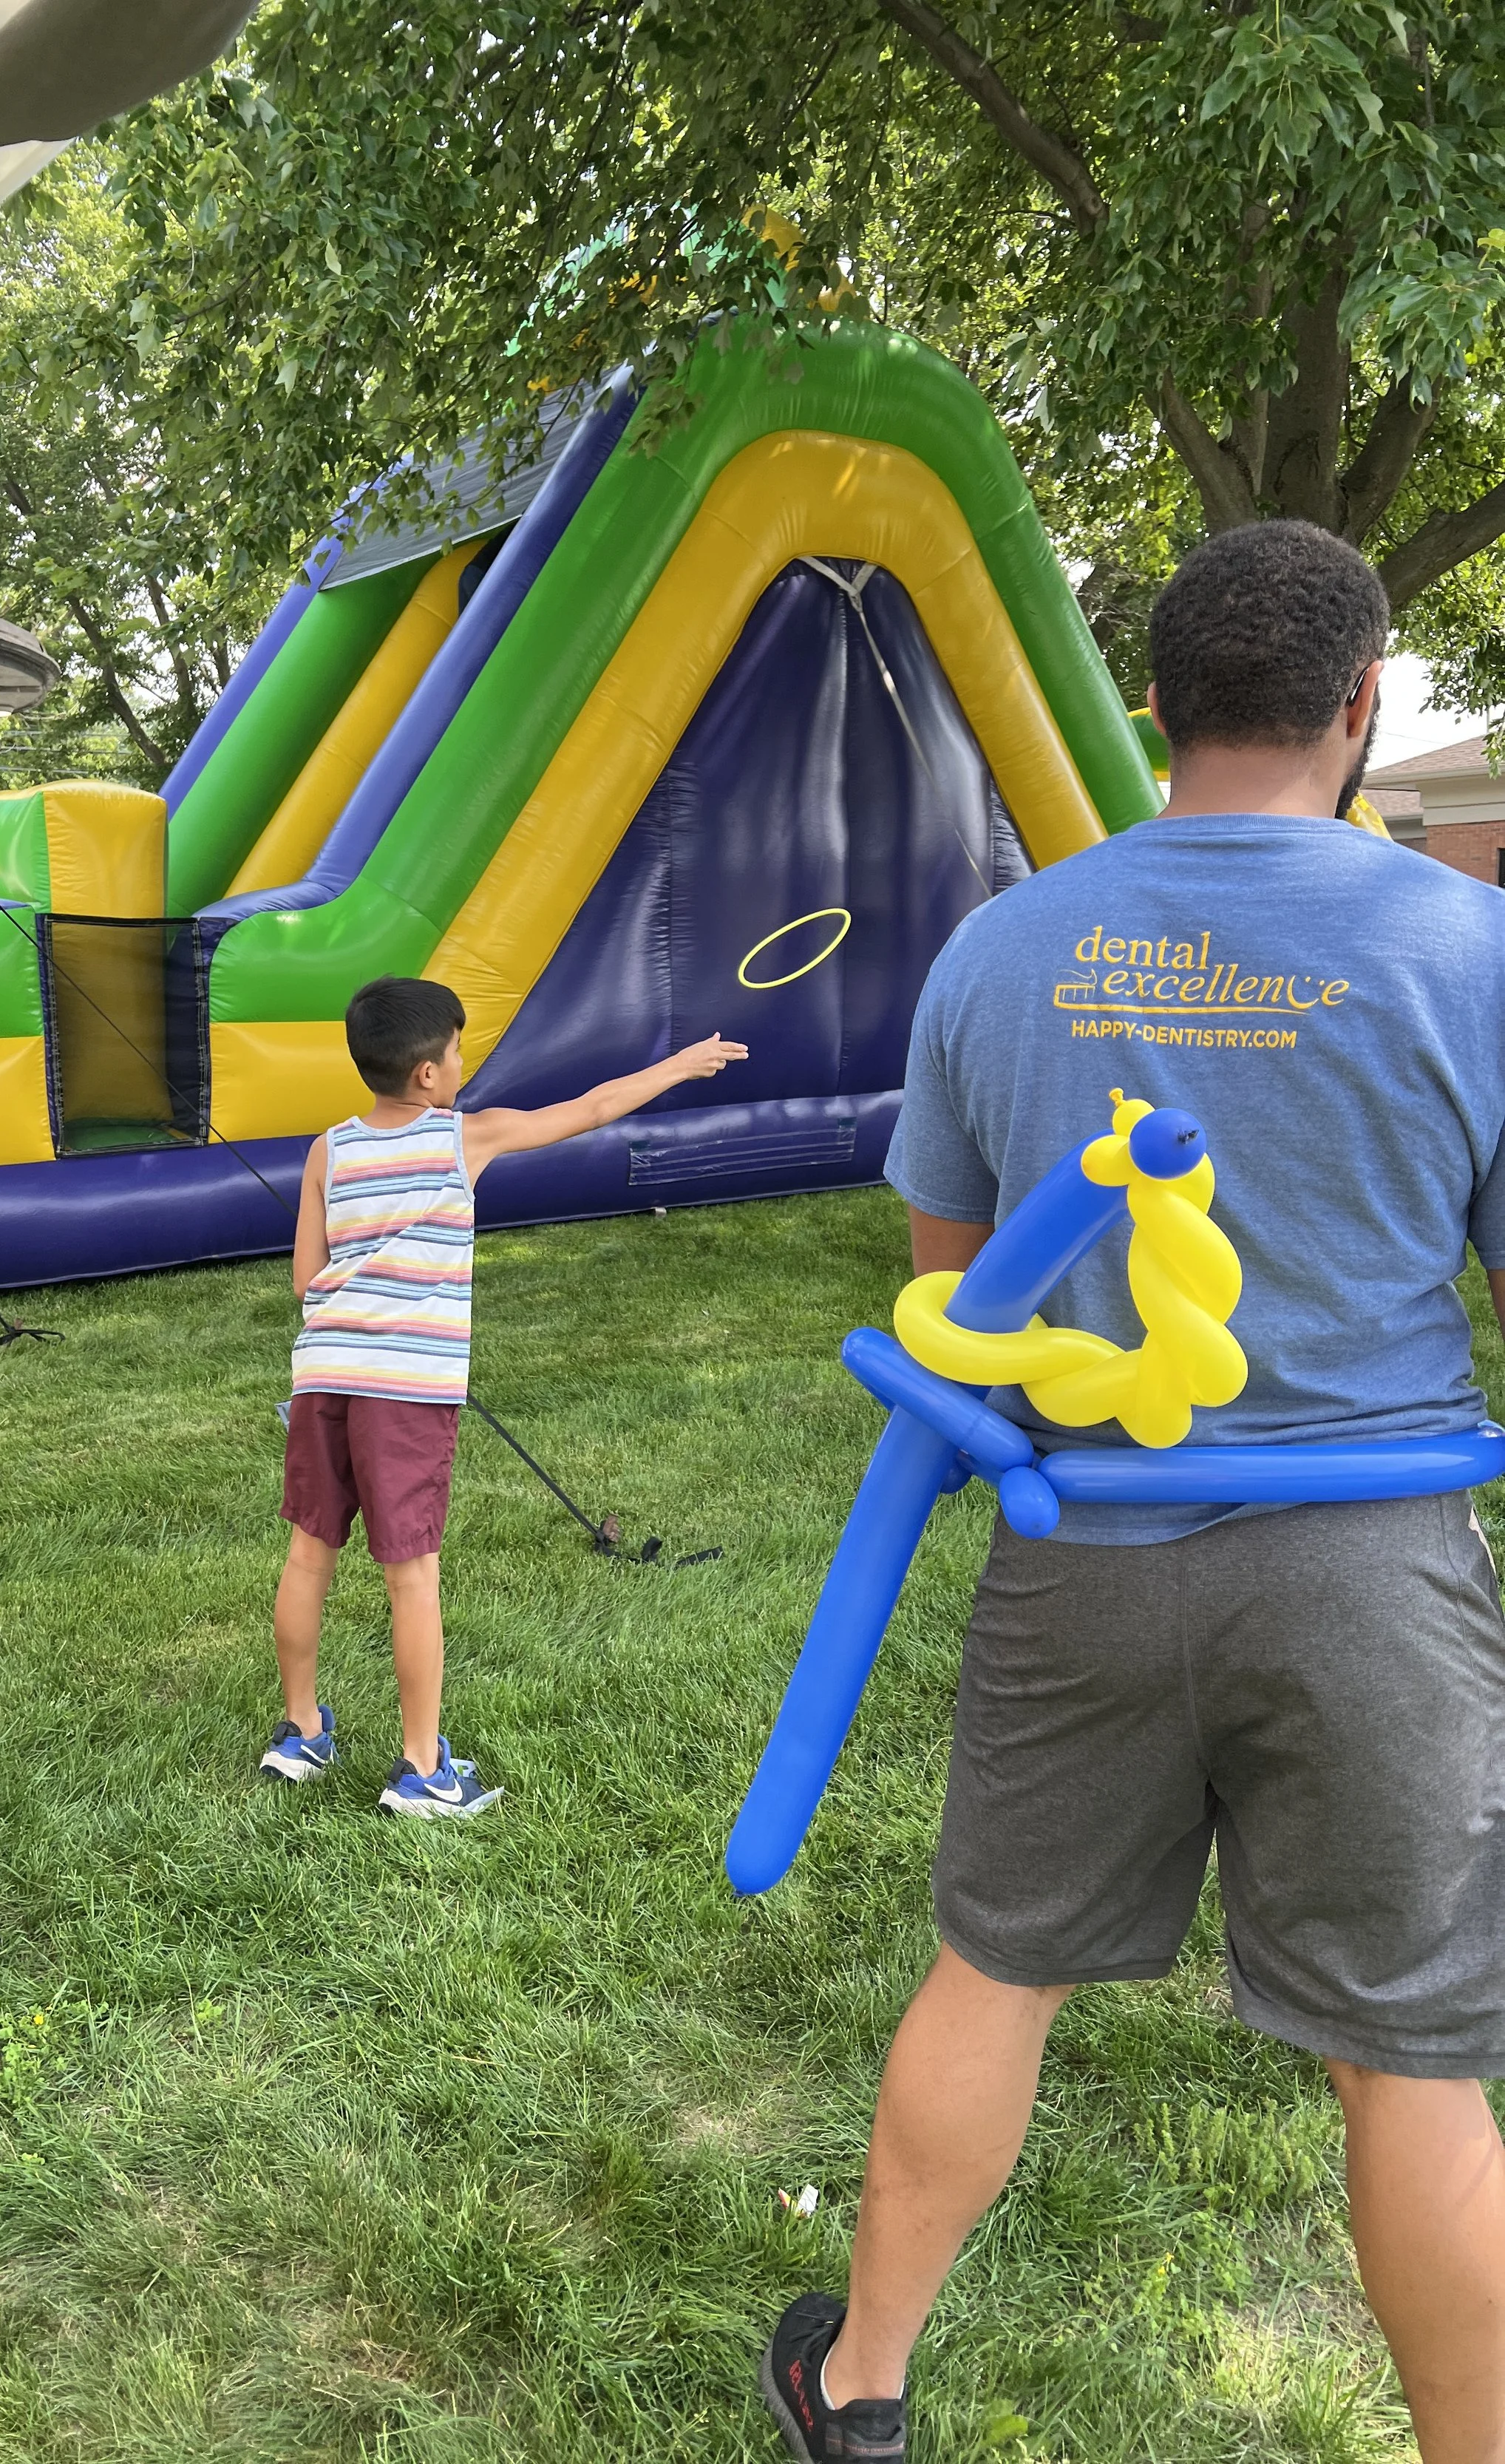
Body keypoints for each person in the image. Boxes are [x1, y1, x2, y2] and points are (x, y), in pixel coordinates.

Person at [761, 520, 1505, 2464]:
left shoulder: (1002, 947)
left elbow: (954, 1285)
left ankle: (858, 2390)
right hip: (1372, 1569)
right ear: (1363, 705)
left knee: (995, 1968)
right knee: (1409, 2058)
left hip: (1083, 1546)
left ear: (1152, 702)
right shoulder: (1469, 948)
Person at [260, 974, 746, 1816]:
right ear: (426, 1074)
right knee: (411, 1579)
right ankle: (422, 1769)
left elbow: (306, 1279)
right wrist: (680, 1064)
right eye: (456, 1051)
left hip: (322, 1380)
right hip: (405, 1395)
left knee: (309, 1554)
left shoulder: (325, 1150)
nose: (461, 1063)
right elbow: (590, 1110)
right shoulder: (462, 1138)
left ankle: (300, 1732)